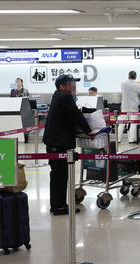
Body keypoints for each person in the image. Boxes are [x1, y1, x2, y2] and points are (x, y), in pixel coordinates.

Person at [43, 74, 94, 215]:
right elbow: (76, 116)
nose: (74, 87)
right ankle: (59, 207)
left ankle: (56, 205)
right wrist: (89, 131)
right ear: (62, 86)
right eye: (71, 84)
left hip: (53, 141)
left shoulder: (57, 95)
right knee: (60, 175)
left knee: (56, 175)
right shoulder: (65, 97)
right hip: (59, 143)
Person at [118, 71, 140, 143]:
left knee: (122, 123)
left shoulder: (123, 84)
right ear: (135, 77)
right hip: (134, 106)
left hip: (125, 106)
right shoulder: (137, 85)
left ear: (128, 76)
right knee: (133, 123)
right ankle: (131, 140)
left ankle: (118, 139)